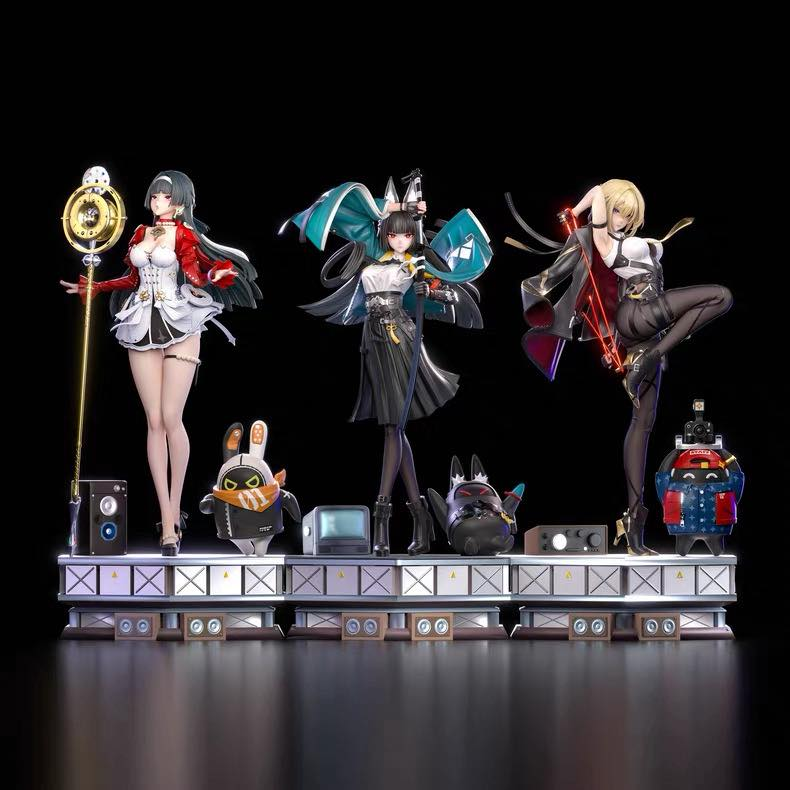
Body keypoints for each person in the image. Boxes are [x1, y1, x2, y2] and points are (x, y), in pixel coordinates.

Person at [61, 170, 260, 555]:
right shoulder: (140, 233)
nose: (157, 202)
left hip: (180, 322)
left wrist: (214, 275)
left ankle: (174, 512)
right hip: (141, 323)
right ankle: (168, 520)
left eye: (165, 197)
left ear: (180, 202)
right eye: (154, 196)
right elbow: (131, 279)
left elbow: (194, 275)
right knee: (153, 420)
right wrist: (96, 287)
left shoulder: (184, 235)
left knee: (171, 418)